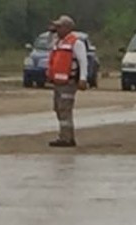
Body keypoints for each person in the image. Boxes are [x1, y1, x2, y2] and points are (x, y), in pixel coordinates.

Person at [47, 15, 88, 148]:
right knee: (58, 109)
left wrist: (83, 79)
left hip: (69, 83)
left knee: (65, 109)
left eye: (59, 26)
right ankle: (65, 136)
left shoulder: (76, 43)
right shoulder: (58, 42)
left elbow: (83, 62)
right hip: (58, 82)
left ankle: (66, 138)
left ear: (68, 28)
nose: (57, 29)